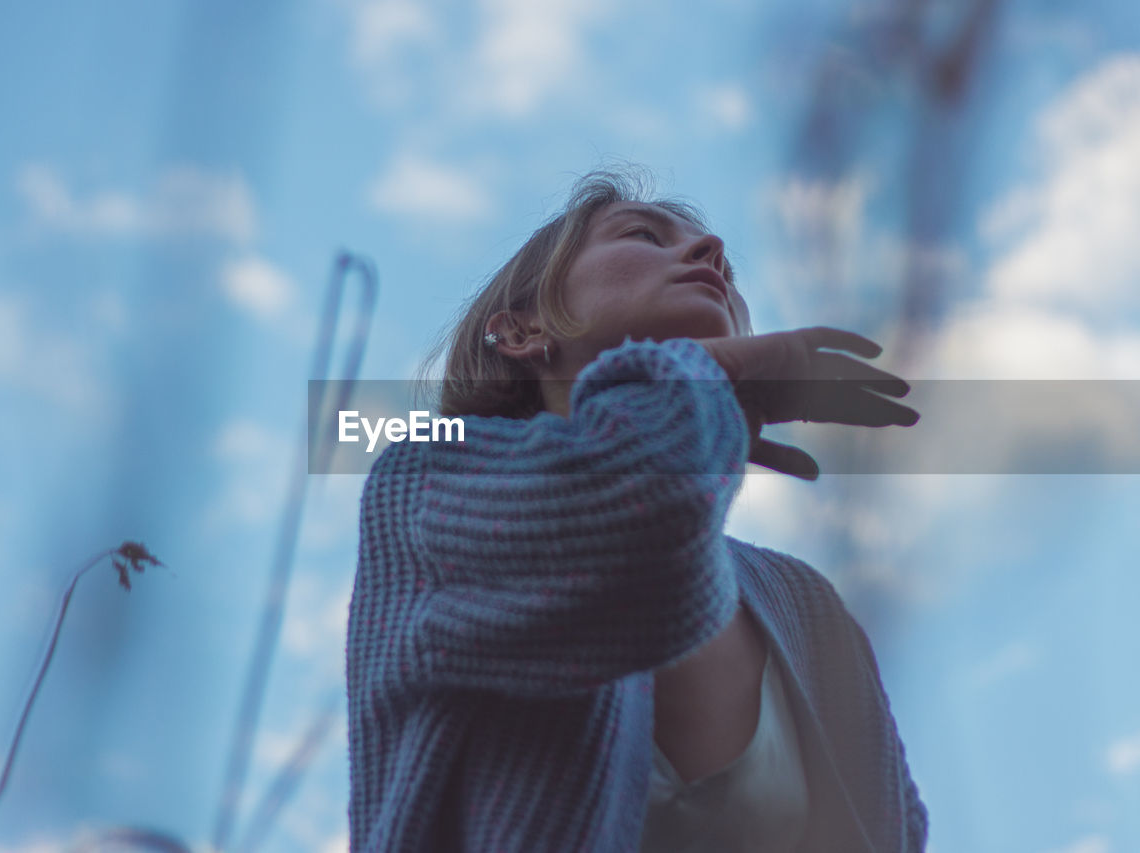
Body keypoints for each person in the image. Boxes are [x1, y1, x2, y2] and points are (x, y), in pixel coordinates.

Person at [345, 165, 928, 852]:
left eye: (725, 262)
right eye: (644, 236)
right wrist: (716, 377)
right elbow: (636, 514)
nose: (711, 252)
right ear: (523, 330)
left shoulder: (809, 607)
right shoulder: (425, 479)